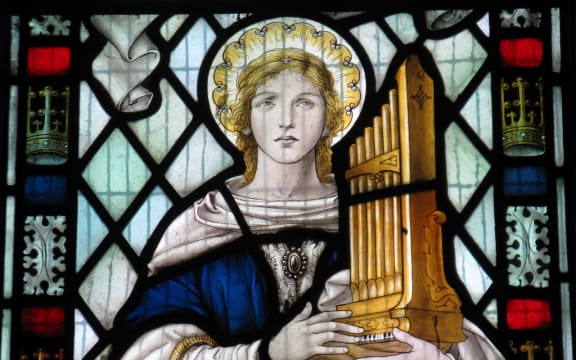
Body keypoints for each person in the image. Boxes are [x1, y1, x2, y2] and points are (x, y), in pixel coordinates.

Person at [110, 20, 505, 360]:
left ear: (329, 116)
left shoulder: (375, 215)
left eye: (305, 103)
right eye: (267, 102)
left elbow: (439, 325)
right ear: (243, 119)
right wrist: (266, 353)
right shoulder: (204, 223)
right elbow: (145, 350)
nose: (286, 120)